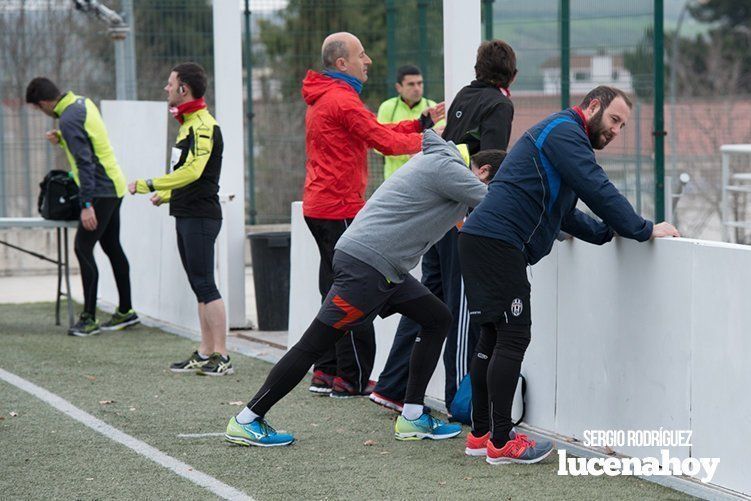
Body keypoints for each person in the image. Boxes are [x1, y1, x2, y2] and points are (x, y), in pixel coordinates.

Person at [224, 130, 501, 447]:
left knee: (437, 317)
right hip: (366, 269)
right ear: (484, 172)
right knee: (313, 345)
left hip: (384, 268)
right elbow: (498, 205)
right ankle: (247, 418)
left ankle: (412, 416)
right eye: (495, 182)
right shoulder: (447, 169)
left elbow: (465, 220)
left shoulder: (442, 165)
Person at [459, 86, 681, 464]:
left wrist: (606, 232)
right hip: (499, 244)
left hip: (480, 239)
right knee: (513, 339)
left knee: (491, 339)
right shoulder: (565, 131)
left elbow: (563, 212)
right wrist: (642, 229)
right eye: (613, 119)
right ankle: (501, 442)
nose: (615, 130)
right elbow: (596, 186)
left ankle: (480, 436)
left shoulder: (557, 137)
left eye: (622, 126)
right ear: (592, 106)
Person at [371, 40, 516, 413]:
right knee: (460, 308)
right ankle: (461, 401)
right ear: (511, 75)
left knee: (426, 302)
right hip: (462, 215)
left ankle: (391, 386)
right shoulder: (500, 104)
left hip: (436, 211)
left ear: (477, 69)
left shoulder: (464, 95)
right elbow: (490, 164)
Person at [301, 32, 445, 398]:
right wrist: (434, 138)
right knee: (357, 293)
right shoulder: (341, 100)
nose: (368, 61)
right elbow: (385, 143)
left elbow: (375, 132)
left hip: (320, 205)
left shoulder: (328, 96)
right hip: (340, 208)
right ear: (341, 63)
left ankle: (326, 371)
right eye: (361, 54)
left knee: (331, 288)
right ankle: (350, 378)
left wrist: (420, 124)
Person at [127, 62, 231, 376]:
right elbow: (186, 176)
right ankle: (205, 351)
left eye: (170, 83)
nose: (166, 88)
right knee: (199, 285)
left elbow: (195, 171)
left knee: (206, 285)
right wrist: (168, 195)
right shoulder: (188, 123)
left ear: (183, 88)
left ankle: (223, 356)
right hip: (187, 212)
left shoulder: (203, 125)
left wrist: (150, 184)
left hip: (201, 215)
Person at [26, 77, 138, 337]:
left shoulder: (68, 118)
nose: (41, 112)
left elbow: (86, 162)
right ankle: (126, 311)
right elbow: (90, 143)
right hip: (114, 184)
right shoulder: (80, 103)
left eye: (37, 108)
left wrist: (87, 204)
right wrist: (63, 139)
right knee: (111, 246)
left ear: (43, 103)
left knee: (82, 248)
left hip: (100, 190)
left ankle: (88, 318)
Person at [376, 64, 442, 178]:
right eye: (411, 84)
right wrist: (408, 152)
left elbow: (441, 140)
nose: (417, 88)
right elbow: (377, 143)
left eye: (420, 83)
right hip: (394, 180)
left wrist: (414, 152)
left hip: (425, 179)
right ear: (398, 87)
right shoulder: (387, 107)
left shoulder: (433, 108)